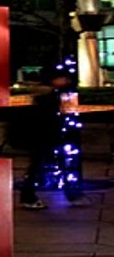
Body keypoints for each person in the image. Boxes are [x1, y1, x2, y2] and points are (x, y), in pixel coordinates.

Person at [19, 69, 90, 209]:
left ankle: (72, 194)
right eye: (63, 78)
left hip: (49, 135)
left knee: (44, 165)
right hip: (45, 136)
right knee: (40, 166)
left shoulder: (50, 94)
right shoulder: (48, 95)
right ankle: (29, 196)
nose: (65, 81)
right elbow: (50, 116)